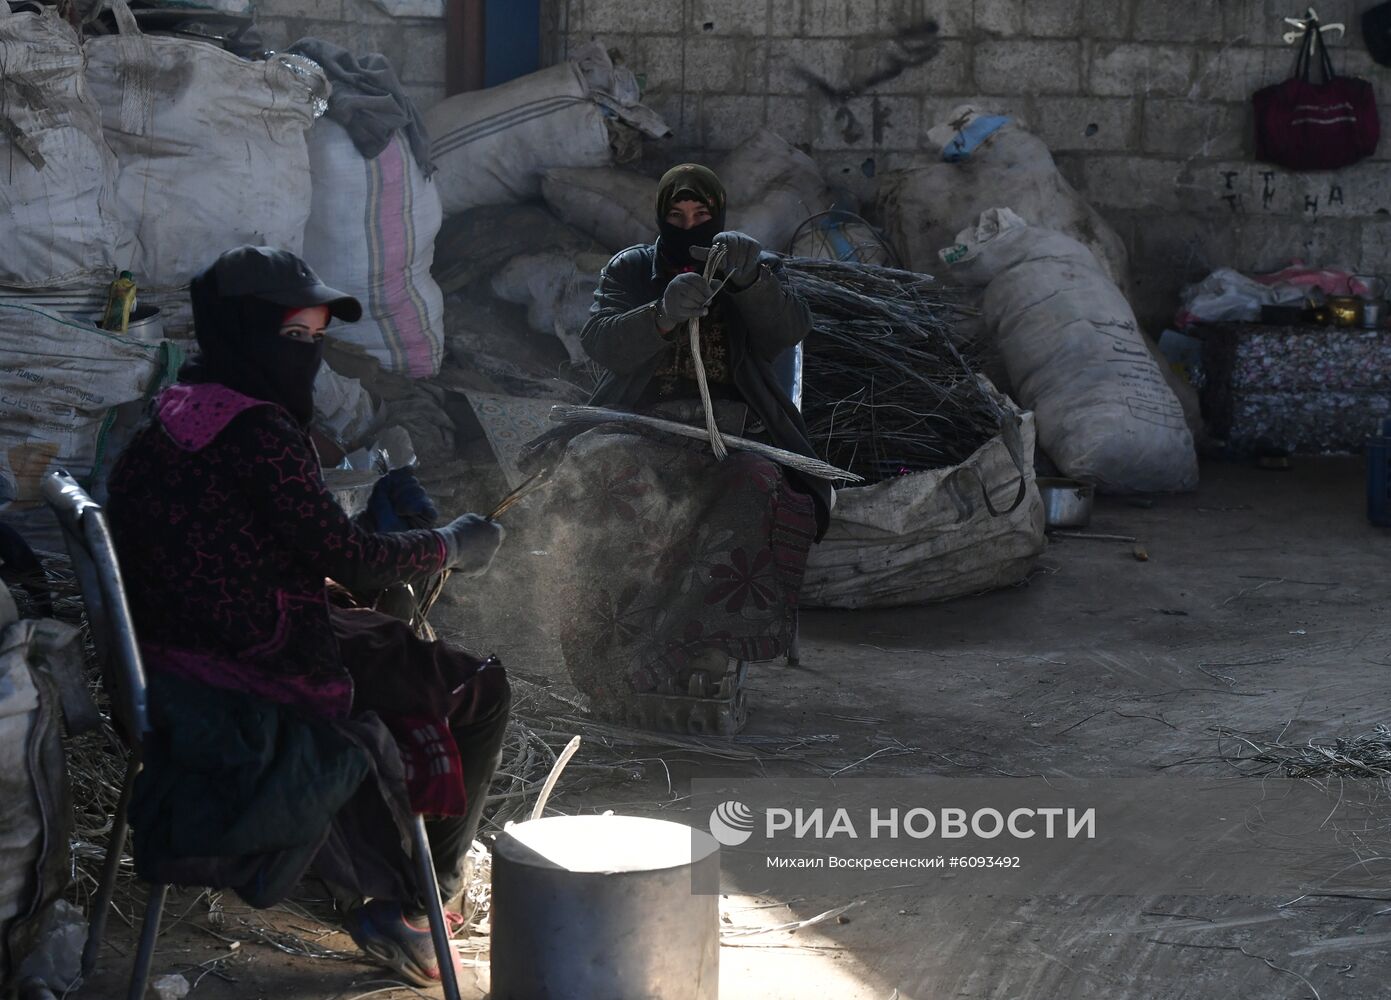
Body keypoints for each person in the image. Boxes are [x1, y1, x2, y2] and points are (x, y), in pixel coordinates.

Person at [105, 246, 509, 987]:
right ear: (240, 331)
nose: (309, 355)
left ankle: (384, 879)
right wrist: (450, 544)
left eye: (317, 337)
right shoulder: (257, 431)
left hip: (180, 647)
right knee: (477, 687)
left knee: (382, 624)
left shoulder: (176, 407)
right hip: (256, 662)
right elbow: (349, 555)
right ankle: (417, 902)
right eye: (295, 336)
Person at [528, 163, 829, 732]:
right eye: (677, 217)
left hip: (734, 433)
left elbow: (788, 332)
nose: (690, 226)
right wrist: (661, 314)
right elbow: (602, 343)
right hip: (642, 426)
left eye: (702, 217)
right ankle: (611, 643)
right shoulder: (634, 267)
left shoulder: (751, 267)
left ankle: (707, 641)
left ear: (720, 217)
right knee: (600, 469)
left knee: (758, 486)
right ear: (661, 218)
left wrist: (751, 283)